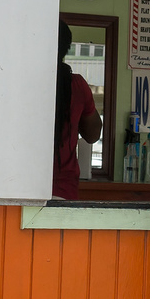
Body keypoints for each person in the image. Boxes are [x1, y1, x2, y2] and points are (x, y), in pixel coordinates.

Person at [53, 23, 105, 200]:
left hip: (20, 186)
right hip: (63, 191)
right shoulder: (77, 86)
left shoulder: (21, 83)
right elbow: (92, 135)